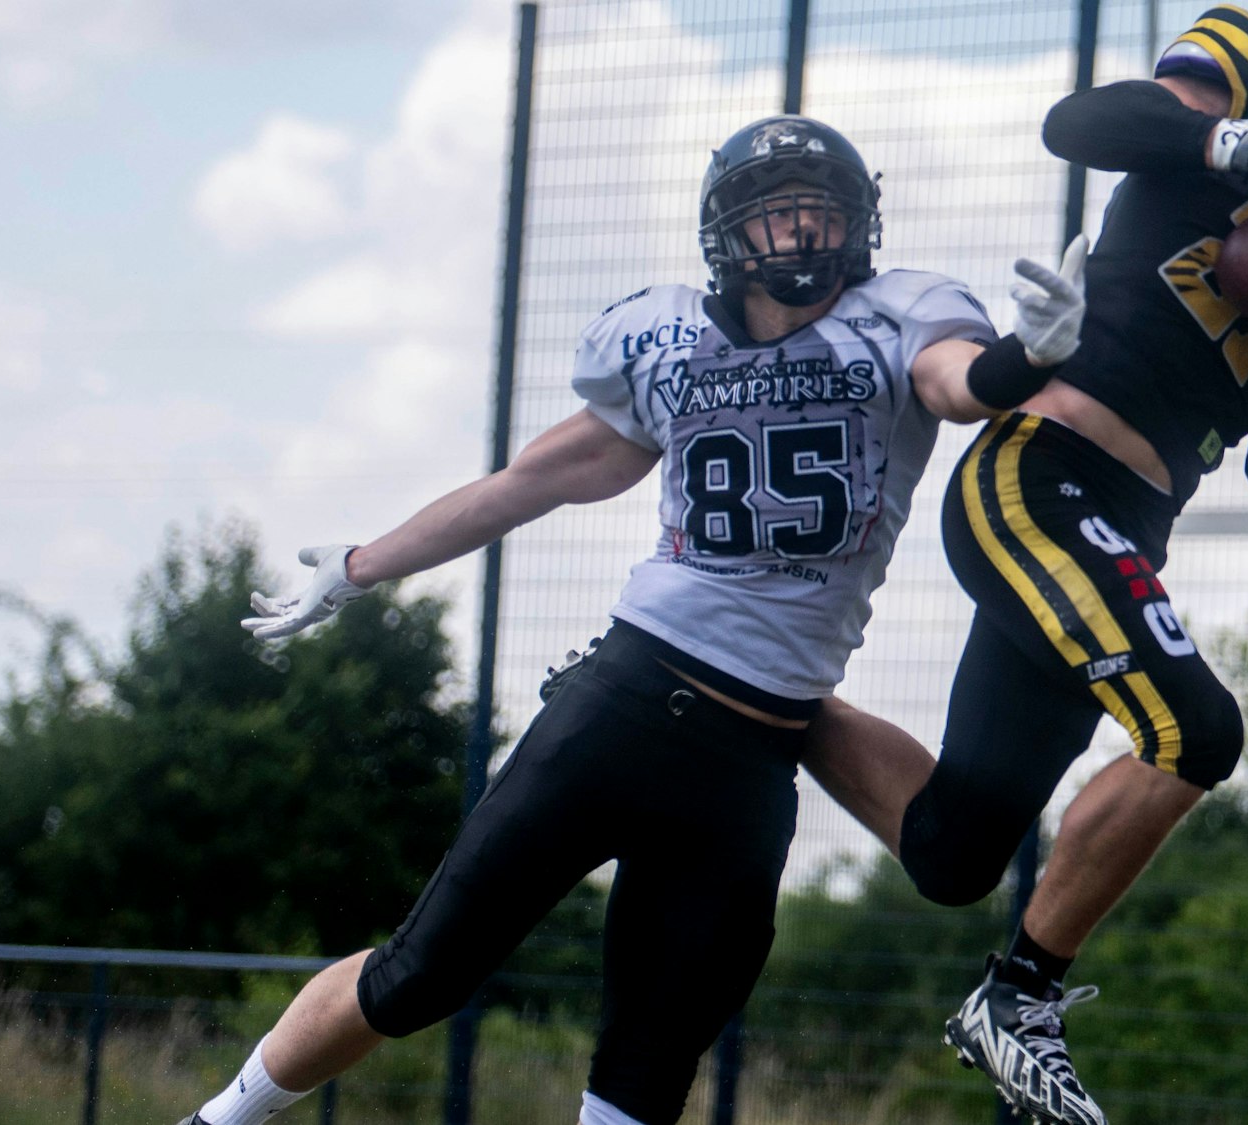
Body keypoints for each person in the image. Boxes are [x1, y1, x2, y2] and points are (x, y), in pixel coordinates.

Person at [176, 113, 1091, 1125]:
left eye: (819, 213)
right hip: (621, 706)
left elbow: (956, 383)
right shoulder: (662, 340)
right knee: (418, 976)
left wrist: (1020, 359)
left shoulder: (899, 318)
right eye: (778, 215)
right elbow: (534, 480)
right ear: (729, 235)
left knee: (648, 1067)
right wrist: (357, 567)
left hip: (756, 758)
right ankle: (218, 1120)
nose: (800, 235)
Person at [801, 10, 1248, 1124]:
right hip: (1038, 475)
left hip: (1123, 530)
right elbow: (1075, 122)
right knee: (1195, 730)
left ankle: (751, 693)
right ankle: (1017, 1000)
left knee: (952, 851)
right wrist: (1238, 150)